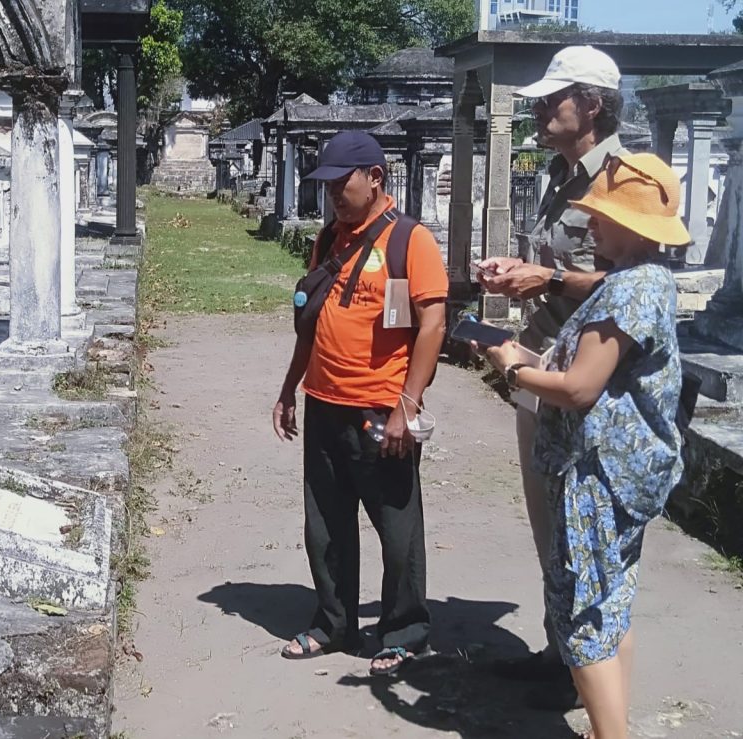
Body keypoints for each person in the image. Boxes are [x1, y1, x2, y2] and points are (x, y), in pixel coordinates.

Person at [483, 152, 688, 739]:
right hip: (623, 470)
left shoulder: (629, 291)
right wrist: (523, 358)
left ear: (635, 226)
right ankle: (610, 729)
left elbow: (577, 388)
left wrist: (510, 369)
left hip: (597, 473)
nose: (589, 224)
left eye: (601, 215)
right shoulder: (640, 281)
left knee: (581, 613)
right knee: (610, 602)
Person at [476, 45, 626, 709]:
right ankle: (558, 650)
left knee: (587, 539)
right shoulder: (562, 175)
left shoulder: (624, 177)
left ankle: (599, 681)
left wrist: (552, 276)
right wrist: (520, 268)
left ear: (591, 103)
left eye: (552, 99)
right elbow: (557, 269)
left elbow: (639, 281)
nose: (540, 110)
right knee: (548, 527)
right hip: (542, 364)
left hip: (593, 384)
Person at [272, 131, 448, 676]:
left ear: (375, 178)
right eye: (325, 187)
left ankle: (403, 631)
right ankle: (334, 622)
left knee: (397, 530)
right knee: (324, 526)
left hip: (380, 411)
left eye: (340, 185)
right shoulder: (330, 240)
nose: (332, 197)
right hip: (324, 403)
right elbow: (311, 323)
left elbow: (433, 324)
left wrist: (407, 406)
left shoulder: (409, 241)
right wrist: (288, 390)